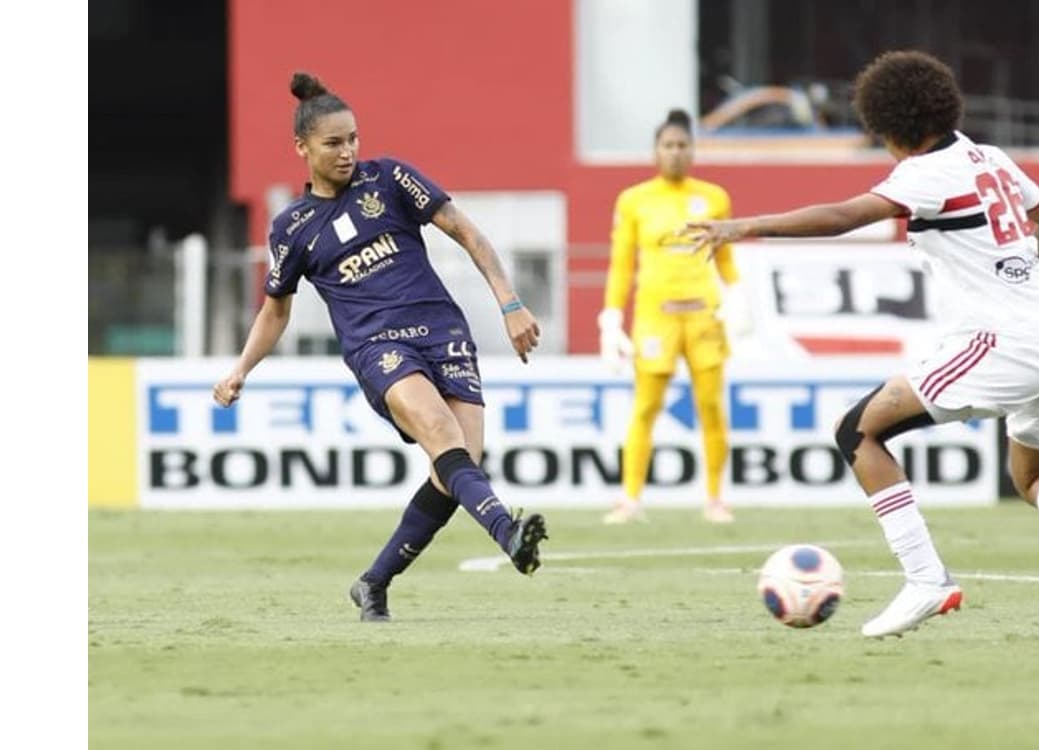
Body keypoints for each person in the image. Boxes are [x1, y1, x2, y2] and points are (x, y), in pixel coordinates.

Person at [685, 50, 1039, 638]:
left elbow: (839, 217)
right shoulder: (991, 158)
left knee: (856, 431)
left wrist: (744, 226)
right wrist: (1010, 266)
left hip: (1001, 343)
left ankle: (926, 579)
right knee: (1034, 475)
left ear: (891, 126)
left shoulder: (923, 174)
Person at [212, 72, 549, 622]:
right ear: (302, 148)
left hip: (443, 331)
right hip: (378, 347)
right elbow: (276, 310)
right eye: (332, 143)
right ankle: (508, 533)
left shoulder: (391, 179)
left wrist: (510, 303)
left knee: (455, 469)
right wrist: (240, 369)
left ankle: (373, 583)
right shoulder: (292, 228)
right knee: (442, 436)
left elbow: (467, 232)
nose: (347, 152)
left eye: (352, 139)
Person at [598, 109, 753, 525]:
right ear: (655, 150)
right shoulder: (634, 200)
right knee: (645, 407)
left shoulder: (714, 197)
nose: (675, 152)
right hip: (655, 317)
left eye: (683, 145)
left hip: (703, 315)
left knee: (711, 406)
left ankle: (716, 499)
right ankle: (629, 499)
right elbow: (621, 263)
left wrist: (737, 297)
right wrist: (611, 319)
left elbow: (725, 256)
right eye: (668, 145)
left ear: (693, 150)